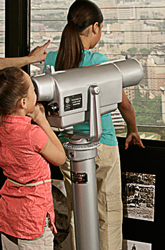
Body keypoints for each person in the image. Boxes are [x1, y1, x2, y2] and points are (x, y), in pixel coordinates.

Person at [43, 1, 144, 249]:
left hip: (67, 149)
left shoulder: (53, 59)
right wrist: (133, 129)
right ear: (95, 27)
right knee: (107, 213)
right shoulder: (99, 61)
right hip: (102, 145)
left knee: (80, 212)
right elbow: (124, 104)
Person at [0, 67, 66, 249]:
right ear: (23, 102)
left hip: (9, 217)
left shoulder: (2, 127)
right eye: (33, 89)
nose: (36, 92)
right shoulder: (32, 133)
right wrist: (42, 120)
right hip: (32, 220)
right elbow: (60, 157)